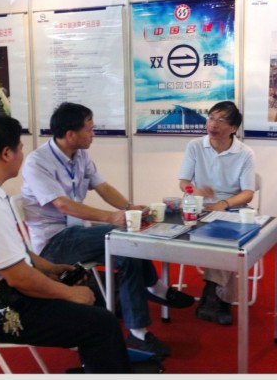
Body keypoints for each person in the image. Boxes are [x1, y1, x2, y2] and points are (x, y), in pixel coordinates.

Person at [0, 114, 131, 373]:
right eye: (20, 148)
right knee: (101, 323)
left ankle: (99, 366)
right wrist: (68, 293)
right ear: (6, 153)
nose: (22, 154)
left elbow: (15, 253)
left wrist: (49, 268)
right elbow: (20, 278)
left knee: (91, 301)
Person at [20, 102, 195, 357]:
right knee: (124, 241)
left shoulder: (80, 155)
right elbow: (63, 205)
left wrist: (129, 207)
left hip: (78, 231)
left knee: (129, 244)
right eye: (89, 129)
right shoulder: (38, 162)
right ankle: (150, 299)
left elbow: (102, 187)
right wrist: (112, 217)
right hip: (54, 240)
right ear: (70, 134)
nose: (93, 134)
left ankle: (141, 323)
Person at [178, 101, 255, 325]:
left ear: (233, 128)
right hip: (200, 205)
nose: (213, 125)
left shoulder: (245, 153)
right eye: (211, 118)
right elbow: (184, 182)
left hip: (232, 207)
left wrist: (224, 203)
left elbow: (248, 193)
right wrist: (195, 191)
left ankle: (214, 293)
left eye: (221, 121)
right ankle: (221, 298)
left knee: (225, 241)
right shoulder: (195, 146)